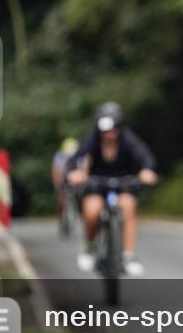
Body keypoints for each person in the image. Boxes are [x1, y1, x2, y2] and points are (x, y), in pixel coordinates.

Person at [66, 102, 157, 276]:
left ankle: (129, 256)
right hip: (96, 184)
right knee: (92, 211)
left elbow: (145, 156)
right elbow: (74, 159)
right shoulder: (91, 138)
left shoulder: (127, 138)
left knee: (128, 206)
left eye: (114, 128)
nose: (110, 134)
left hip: (123, 184)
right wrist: (74, 173)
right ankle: (89, 247)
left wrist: (147, 170)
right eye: (106, 130)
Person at [52, 137, 79, 220]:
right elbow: (56, 171)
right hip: (63, 178)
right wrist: (57, 185)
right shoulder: (59, 156)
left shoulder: (80, 156)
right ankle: (61, 217)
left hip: (75, 179)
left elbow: (83, 170)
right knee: (61, 198)